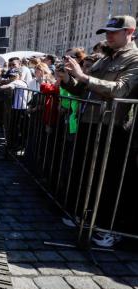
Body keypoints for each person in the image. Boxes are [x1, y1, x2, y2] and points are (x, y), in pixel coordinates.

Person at [61, 16, 138, 247]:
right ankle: (86, 216)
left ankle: (107, 227)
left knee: (110, 182)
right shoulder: (105, 59)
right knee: (87, 175)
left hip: (112, 127)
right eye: (107, 32)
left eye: (114, 32)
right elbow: (82, 89)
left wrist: (84, 76)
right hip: (89, 123)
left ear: (130, 32)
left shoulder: (134, 59)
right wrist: (67, 79)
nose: (109, 36)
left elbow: (121, 90)